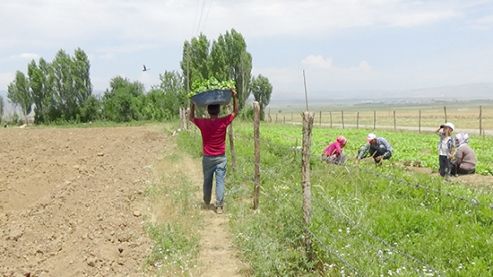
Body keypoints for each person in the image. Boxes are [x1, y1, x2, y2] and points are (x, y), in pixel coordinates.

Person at [189, 90, 238, 214]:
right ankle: (219, 206)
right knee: (220, 181)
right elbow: (235, 112)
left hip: (207, 158)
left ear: (208, 111)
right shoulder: (223, 121)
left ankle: (206, 201)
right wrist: (234, 96)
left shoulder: (203, 123)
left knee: (207, 180)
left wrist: (193, 103)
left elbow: (190, 117)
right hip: (221, 157)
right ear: (218, 111)